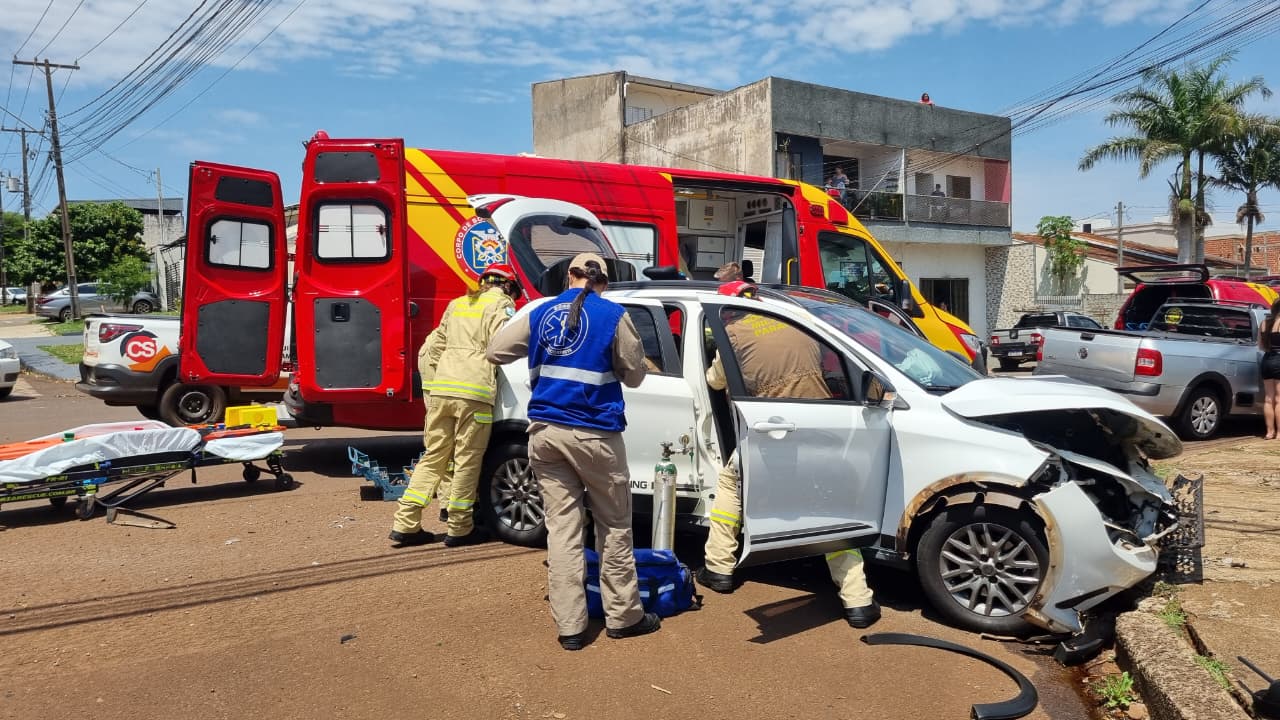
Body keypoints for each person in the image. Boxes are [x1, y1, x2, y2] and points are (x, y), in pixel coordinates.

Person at [487, 252, 661, 651]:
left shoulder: (541, 313)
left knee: (563, 530)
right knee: (613, 525)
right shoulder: (614, 316)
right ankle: (623, 617)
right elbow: (634, 376)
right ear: (604, 281)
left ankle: (571, 628)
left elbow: (496, 350)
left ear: (570, 276)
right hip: (596, 436)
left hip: (545, 435)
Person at [696, 280, 881, 630]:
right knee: (830, 511)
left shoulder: (732, 334)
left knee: (732, 485)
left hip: (774, 429)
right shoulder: (796, 320)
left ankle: (718, 568)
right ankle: (859, 602)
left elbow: (715, 381)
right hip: (820, 423)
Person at [389, 263, 522, 547]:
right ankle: (460, 528)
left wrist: (434, 387)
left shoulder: (458, 304)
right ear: (508, 286)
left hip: (442, 389)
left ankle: (405, 523)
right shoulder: (502, 307)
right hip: (474, 391)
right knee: (467, 459)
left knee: (433, 456)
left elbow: (434, 348)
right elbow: (503, 347)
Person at [1259, 298, 1280, 439]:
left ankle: (1269, 432)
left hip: (1266, 359)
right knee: (1279, 399)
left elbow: (1260, 346)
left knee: (1268, 398)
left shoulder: (1264, 323)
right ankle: (1279, 433)